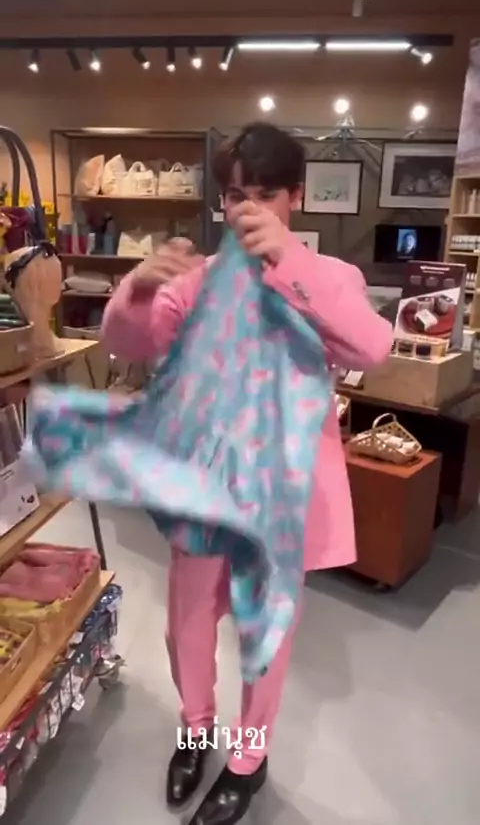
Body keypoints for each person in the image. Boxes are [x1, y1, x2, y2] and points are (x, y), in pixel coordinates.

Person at [101, 122, 393, 825]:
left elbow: (372, 347)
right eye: (235, 196)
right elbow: (125, 340)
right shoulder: (197, 280)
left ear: (296, 196)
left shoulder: (330, 278)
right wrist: (137, 289)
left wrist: (286, 262)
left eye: (265, 194)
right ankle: (196, 731)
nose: (247, 209)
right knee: (186, 630)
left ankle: (247, 760)